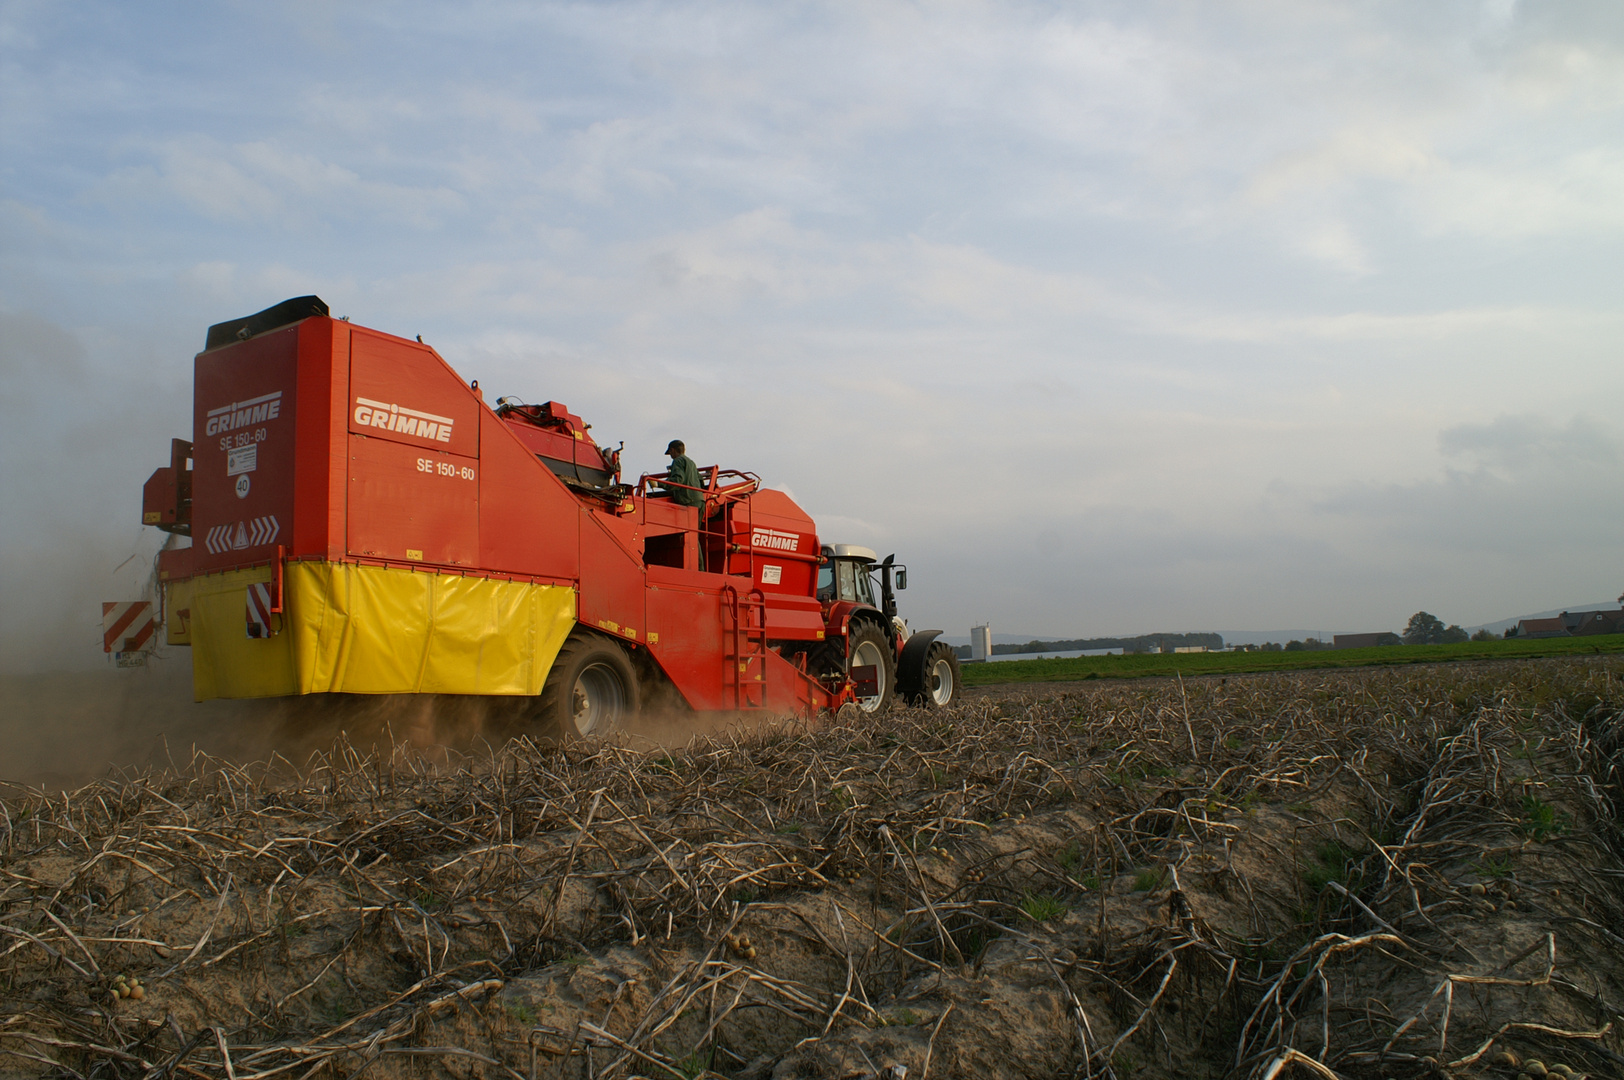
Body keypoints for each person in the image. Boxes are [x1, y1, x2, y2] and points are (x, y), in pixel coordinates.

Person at [661, 440, 705, 507]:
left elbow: (678, 480)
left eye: (670, 453)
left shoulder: (677, 460)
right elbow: (701, 481)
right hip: (700, 502)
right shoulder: (691, 462)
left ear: (672, 450)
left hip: (688, 502)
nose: (670, 456)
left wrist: (658, 483)